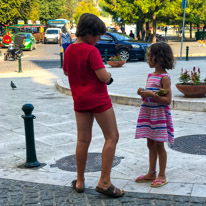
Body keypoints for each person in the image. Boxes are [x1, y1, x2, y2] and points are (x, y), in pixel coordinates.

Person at [63, 13, 124, 197]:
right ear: (89, 32)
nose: (98, 39)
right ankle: (104, 182)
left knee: (83, 140)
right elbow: (103, 76)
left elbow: (67, 72)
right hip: (98, 100)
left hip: (80, 101)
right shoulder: (92, 51)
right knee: (112, 137)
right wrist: (110, 78)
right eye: (97, 35)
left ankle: (80, 181)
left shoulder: (69, 51)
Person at [135, 42, 175, 187]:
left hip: (159, 116)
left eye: (149, 56)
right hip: (149, 114)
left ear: (159, 58)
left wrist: (151, 94)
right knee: (150, 143)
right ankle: (151, 172)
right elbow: (150, 94)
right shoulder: (150, 75)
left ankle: (162, 175)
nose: (147, 59)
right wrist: (143, 93)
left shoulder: (164, 78)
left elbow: (168, 100)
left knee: (159, 145)